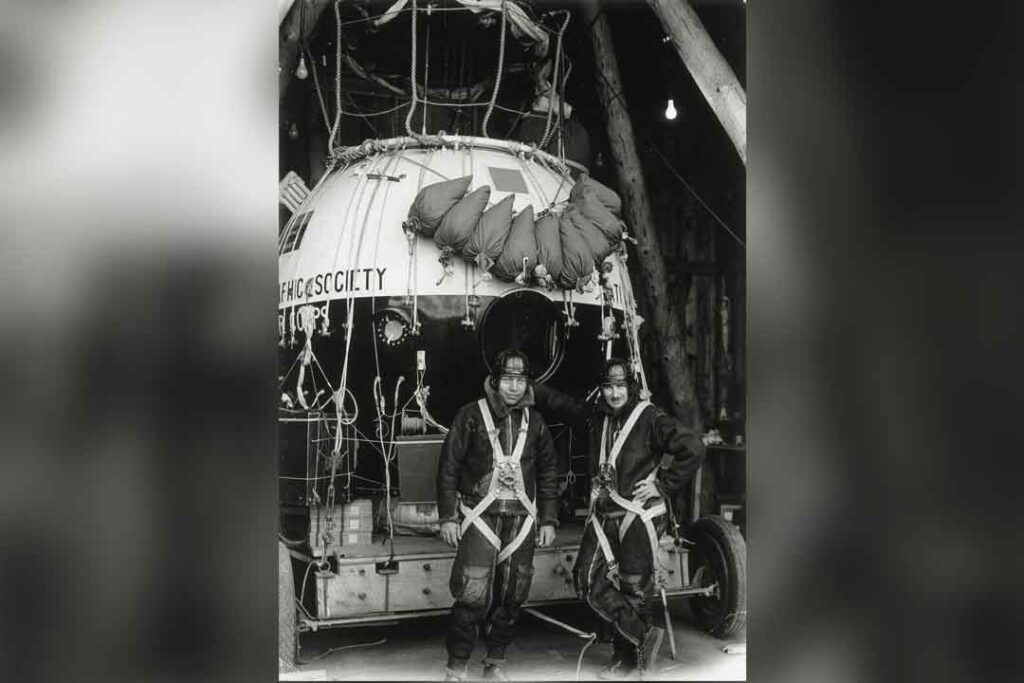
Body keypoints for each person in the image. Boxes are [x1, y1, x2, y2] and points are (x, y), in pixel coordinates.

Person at [534, 358, 705, 680]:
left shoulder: (651, 418)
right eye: (608, 387)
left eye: (620, 387)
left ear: (631, 387)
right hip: (604, 513)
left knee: (635, 589)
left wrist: (662, 483)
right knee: (585, 579)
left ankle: (628, 662)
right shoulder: (598, 415)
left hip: (638, 516)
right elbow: (566, 406)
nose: (614, 393)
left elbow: (693, 447)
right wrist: (532, 389)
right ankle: (642, 636)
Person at [436, 349, 560, 681]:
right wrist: (448, 517)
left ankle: (495, 662)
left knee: (513, 593)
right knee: (472, 593)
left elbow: (549, 474)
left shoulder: (536, 424)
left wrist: (548, 520)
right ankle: (457, 666)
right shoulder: (470, 416)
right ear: (496, 380)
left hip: (522, 521)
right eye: (508, 379)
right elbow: (448, 468)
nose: (514, 387)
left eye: (521, 380)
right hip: (481, 517)